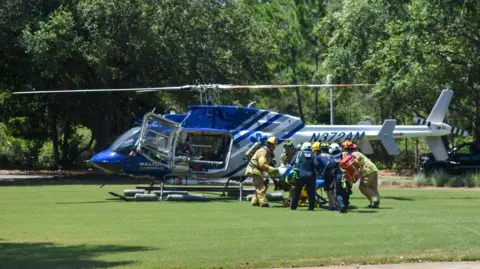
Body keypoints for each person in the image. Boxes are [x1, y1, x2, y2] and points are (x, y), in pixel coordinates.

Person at [341, 140, 380, 208]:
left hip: (367, 171)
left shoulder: (354, 154)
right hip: (373, 169)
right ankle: (375, 203)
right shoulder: (357, 152)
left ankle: (374, 200)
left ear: (345, 148)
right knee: (372, 187)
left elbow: (352, 162)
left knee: (363, 187)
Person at [245, 136, 279, 207]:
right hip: (254, 169)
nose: (274, 147)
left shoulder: (268, 152)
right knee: (261, 187)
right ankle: (263, 203)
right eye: (273, 145)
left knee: (259, 186)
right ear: (269, 144)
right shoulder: (263, 152)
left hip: (256, 170)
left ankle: (254, 201)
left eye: (275, 145)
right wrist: (272, 169)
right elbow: (262, 164)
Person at [290, 142, 317, 211]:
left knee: (297, 191)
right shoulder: (313, 155)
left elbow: (292, 162)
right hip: (311, 175)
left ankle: (294, 206)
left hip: (300, 175)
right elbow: (316, 164)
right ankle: (311, 207)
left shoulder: (299, 153)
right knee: (311, 192)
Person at [312, 141, 337, 209]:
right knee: (332, 190)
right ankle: (333, 203)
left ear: (321, 149)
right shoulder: (332, 156)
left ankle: (332, 205)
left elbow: (315, 166)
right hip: (334, 174)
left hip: (324, 176)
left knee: (328, 190)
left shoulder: (318, 157)